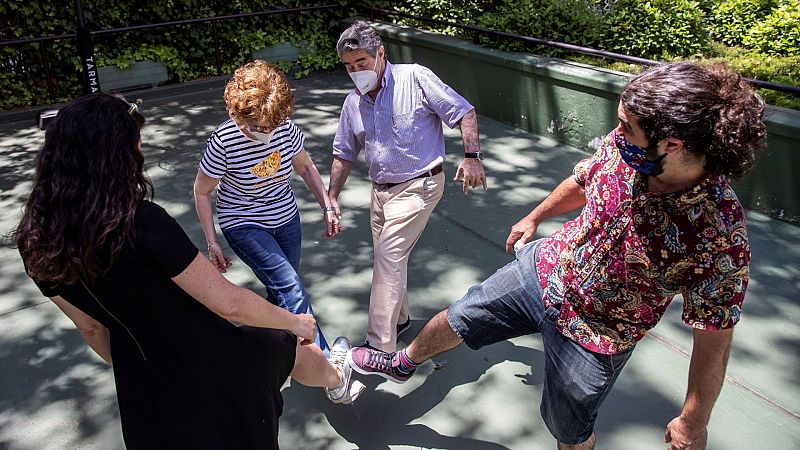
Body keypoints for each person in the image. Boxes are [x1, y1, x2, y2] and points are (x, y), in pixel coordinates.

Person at [347, 62, 767, 450]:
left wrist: (693, 421)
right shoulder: (624, 152)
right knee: (461, 314)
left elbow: (714, 338)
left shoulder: (717, 233)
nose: (615, 134)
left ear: (670, 144)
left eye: (626, 127)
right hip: (546, 269)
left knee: (569, 429)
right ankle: (402, 362)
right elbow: (583, 180)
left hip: (597, 333)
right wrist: (535, 216)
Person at [14, 94, 361, 449]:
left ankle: (336, 376)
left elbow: (91, 329)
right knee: (287, 342)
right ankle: (337, 377)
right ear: (115, 154)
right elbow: (227, 303)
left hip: (141, 390)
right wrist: (293, 322)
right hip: (216, 371)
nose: (140, 148)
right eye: (135, 142)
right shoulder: (140, 224)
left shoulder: (35, 242)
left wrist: (146, 368)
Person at [328, 20, 487, 353]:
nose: (356, 71)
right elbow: (344, 154)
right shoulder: (352, 103)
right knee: (389, 260)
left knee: (388, 256)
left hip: (420, 185)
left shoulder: (415, 78)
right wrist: (331, 197)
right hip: (379, 191)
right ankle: (399, 320)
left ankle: (377, 349)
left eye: (362, 63)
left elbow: (464, 112)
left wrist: (472, 156)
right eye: (349, 66)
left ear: (381, 54)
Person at [194, 60, 338, 355]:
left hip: (285, 216)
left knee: (281, 291)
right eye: (257, 127)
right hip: (243, 222)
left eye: (271, 125)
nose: (266, 133)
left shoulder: (284, 128)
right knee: (291, 290)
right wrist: (212, 242)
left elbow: (306, 168)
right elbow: (202, 191)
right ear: (237, 114)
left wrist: (327, 206)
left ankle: (255, 351)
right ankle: (329, 368)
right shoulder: (224, 141)